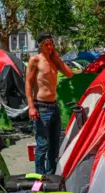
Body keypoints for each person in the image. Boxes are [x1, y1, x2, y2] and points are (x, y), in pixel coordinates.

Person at [26, 32, 73, 174]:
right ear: (40, 45)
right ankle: (39, 177)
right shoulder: (35, 60)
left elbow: (69, 74)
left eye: (51, 43)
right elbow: (28, 83)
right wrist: (31, 107)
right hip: (41, 107)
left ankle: (50, 175)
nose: (49, 46)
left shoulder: (54, 61)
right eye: (46, 44)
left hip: (54, 106)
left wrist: (57, 58)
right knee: (42, 145)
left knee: (54, 145)